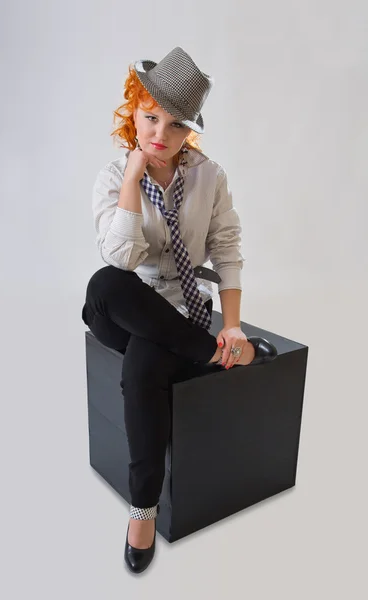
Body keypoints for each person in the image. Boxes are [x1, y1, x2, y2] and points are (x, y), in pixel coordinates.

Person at [81, 46, 277, 574]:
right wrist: (132, 178)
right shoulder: (109, 176)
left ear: (190, 128)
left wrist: (231, 323)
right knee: (105, 284)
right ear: (134, 112)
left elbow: (228, 248)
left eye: (174, 124)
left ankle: (141, 512)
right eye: (150, 118)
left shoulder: (209, 177)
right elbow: (119, 258)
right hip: (122, 309)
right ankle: (210, 355)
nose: (160, 135)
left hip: (181, 314)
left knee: (146, 362)